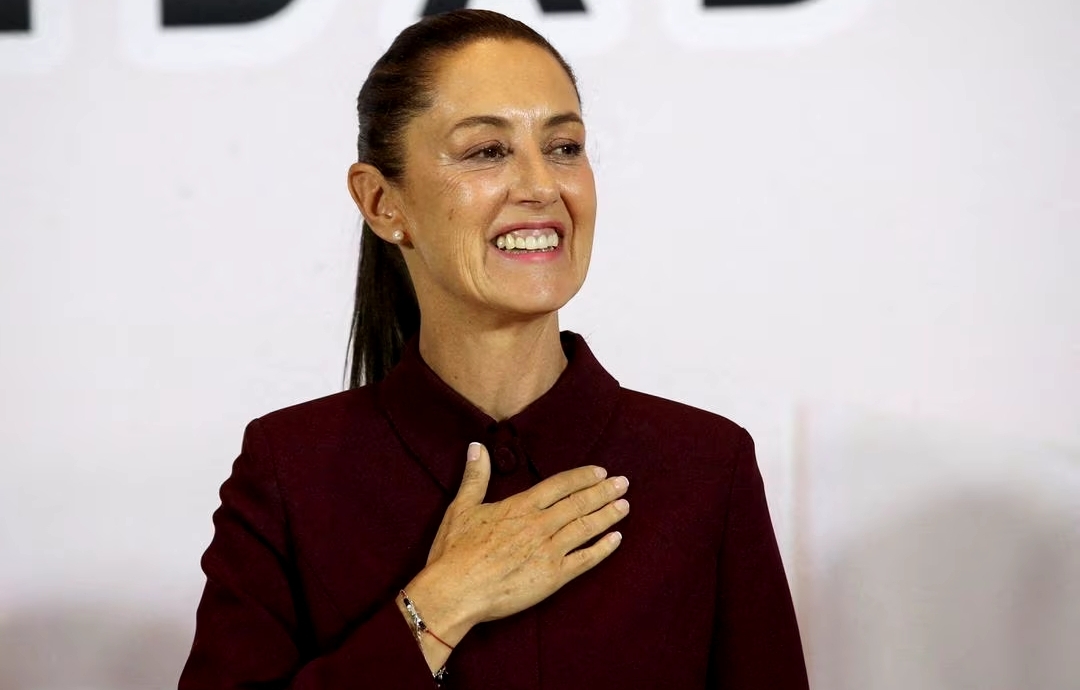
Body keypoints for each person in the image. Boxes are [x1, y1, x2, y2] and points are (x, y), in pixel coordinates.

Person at [179, 9, 808, 689]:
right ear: (382, 202)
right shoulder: (290, 471)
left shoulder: (705, 468)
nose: (542, 186)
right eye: (487, 151)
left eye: (564, 147)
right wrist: (440, 605)